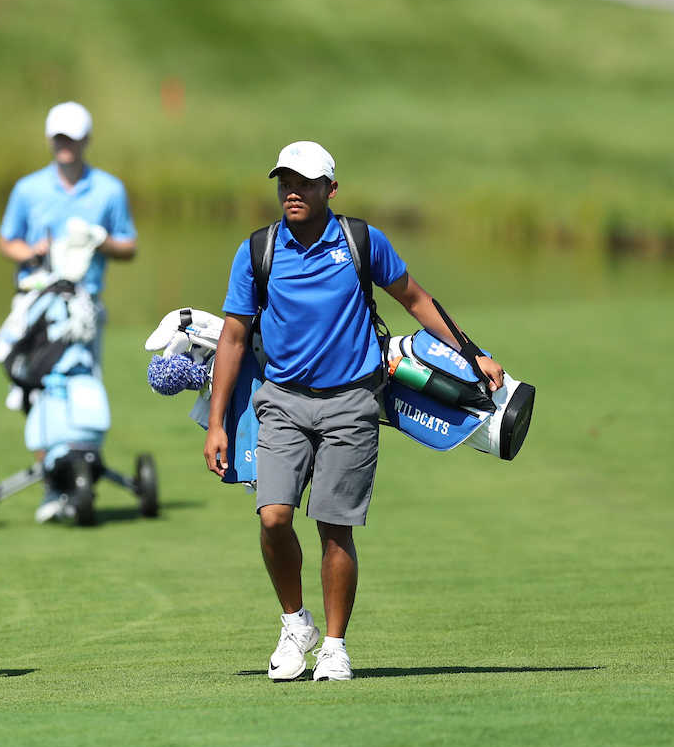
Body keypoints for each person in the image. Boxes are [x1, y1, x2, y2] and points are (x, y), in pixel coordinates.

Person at [203, 141, 504, 682]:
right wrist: (219, 423)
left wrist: (471, 351)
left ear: (330, 189)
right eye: (284, 182)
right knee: (273, 518)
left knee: (335, 527)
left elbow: (415, 298)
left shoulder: (362, 241)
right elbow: (232, 336)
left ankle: (335, 646)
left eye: (305, 182)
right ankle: (296, 624)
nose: (292, 191)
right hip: (281, 402)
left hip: (352, 402)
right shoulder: (258, 250)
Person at [0, 101, 138, 521]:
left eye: (73, 139)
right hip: (38, 300)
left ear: (86, 140)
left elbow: (128, 245)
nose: (66, 146)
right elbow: (7, 241)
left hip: (86, 307)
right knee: (36, 385)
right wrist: (34, 251)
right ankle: (51, 484)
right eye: (59, 138)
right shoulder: (29, 189)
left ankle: (79, 475)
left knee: (82, 384)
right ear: (50, 139)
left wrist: (100, 240)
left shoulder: (108, 189)